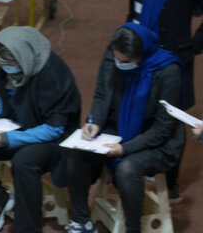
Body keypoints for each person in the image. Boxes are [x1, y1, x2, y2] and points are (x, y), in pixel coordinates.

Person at [65, 23, 185, 233]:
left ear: (142, 55)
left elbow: (162, 128)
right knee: (77, 155)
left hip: (157, 140)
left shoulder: (168, 71)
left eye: (126, 61)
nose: (119, 63)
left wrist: (125, 149)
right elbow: (102, 94)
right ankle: (81, 221)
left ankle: (132, 229)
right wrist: (95, 123)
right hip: (117, 127)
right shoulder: (113, 56)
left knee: (127, 169)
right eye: (117, 58)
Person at [0, 26, 81, 233]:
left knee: (23, 162)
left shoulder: (54, 76)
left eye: (12, 66)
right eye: (4, 65)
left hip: (53, 139)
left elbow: (54, 130)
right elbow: (6, 91)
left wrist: (10, 139)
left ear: (24, 59)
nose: (8, 69)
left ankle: (28, 228)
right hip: (18, 127)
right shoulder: (15, 60)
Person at [126, 0, 203, 203]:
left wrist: (193, 46)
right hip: (141, 61)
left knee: (173, 121)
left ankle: (170, 185)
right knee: (142, 113)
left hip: (174, 59)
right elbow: (133, 15)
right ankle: (137, 175)